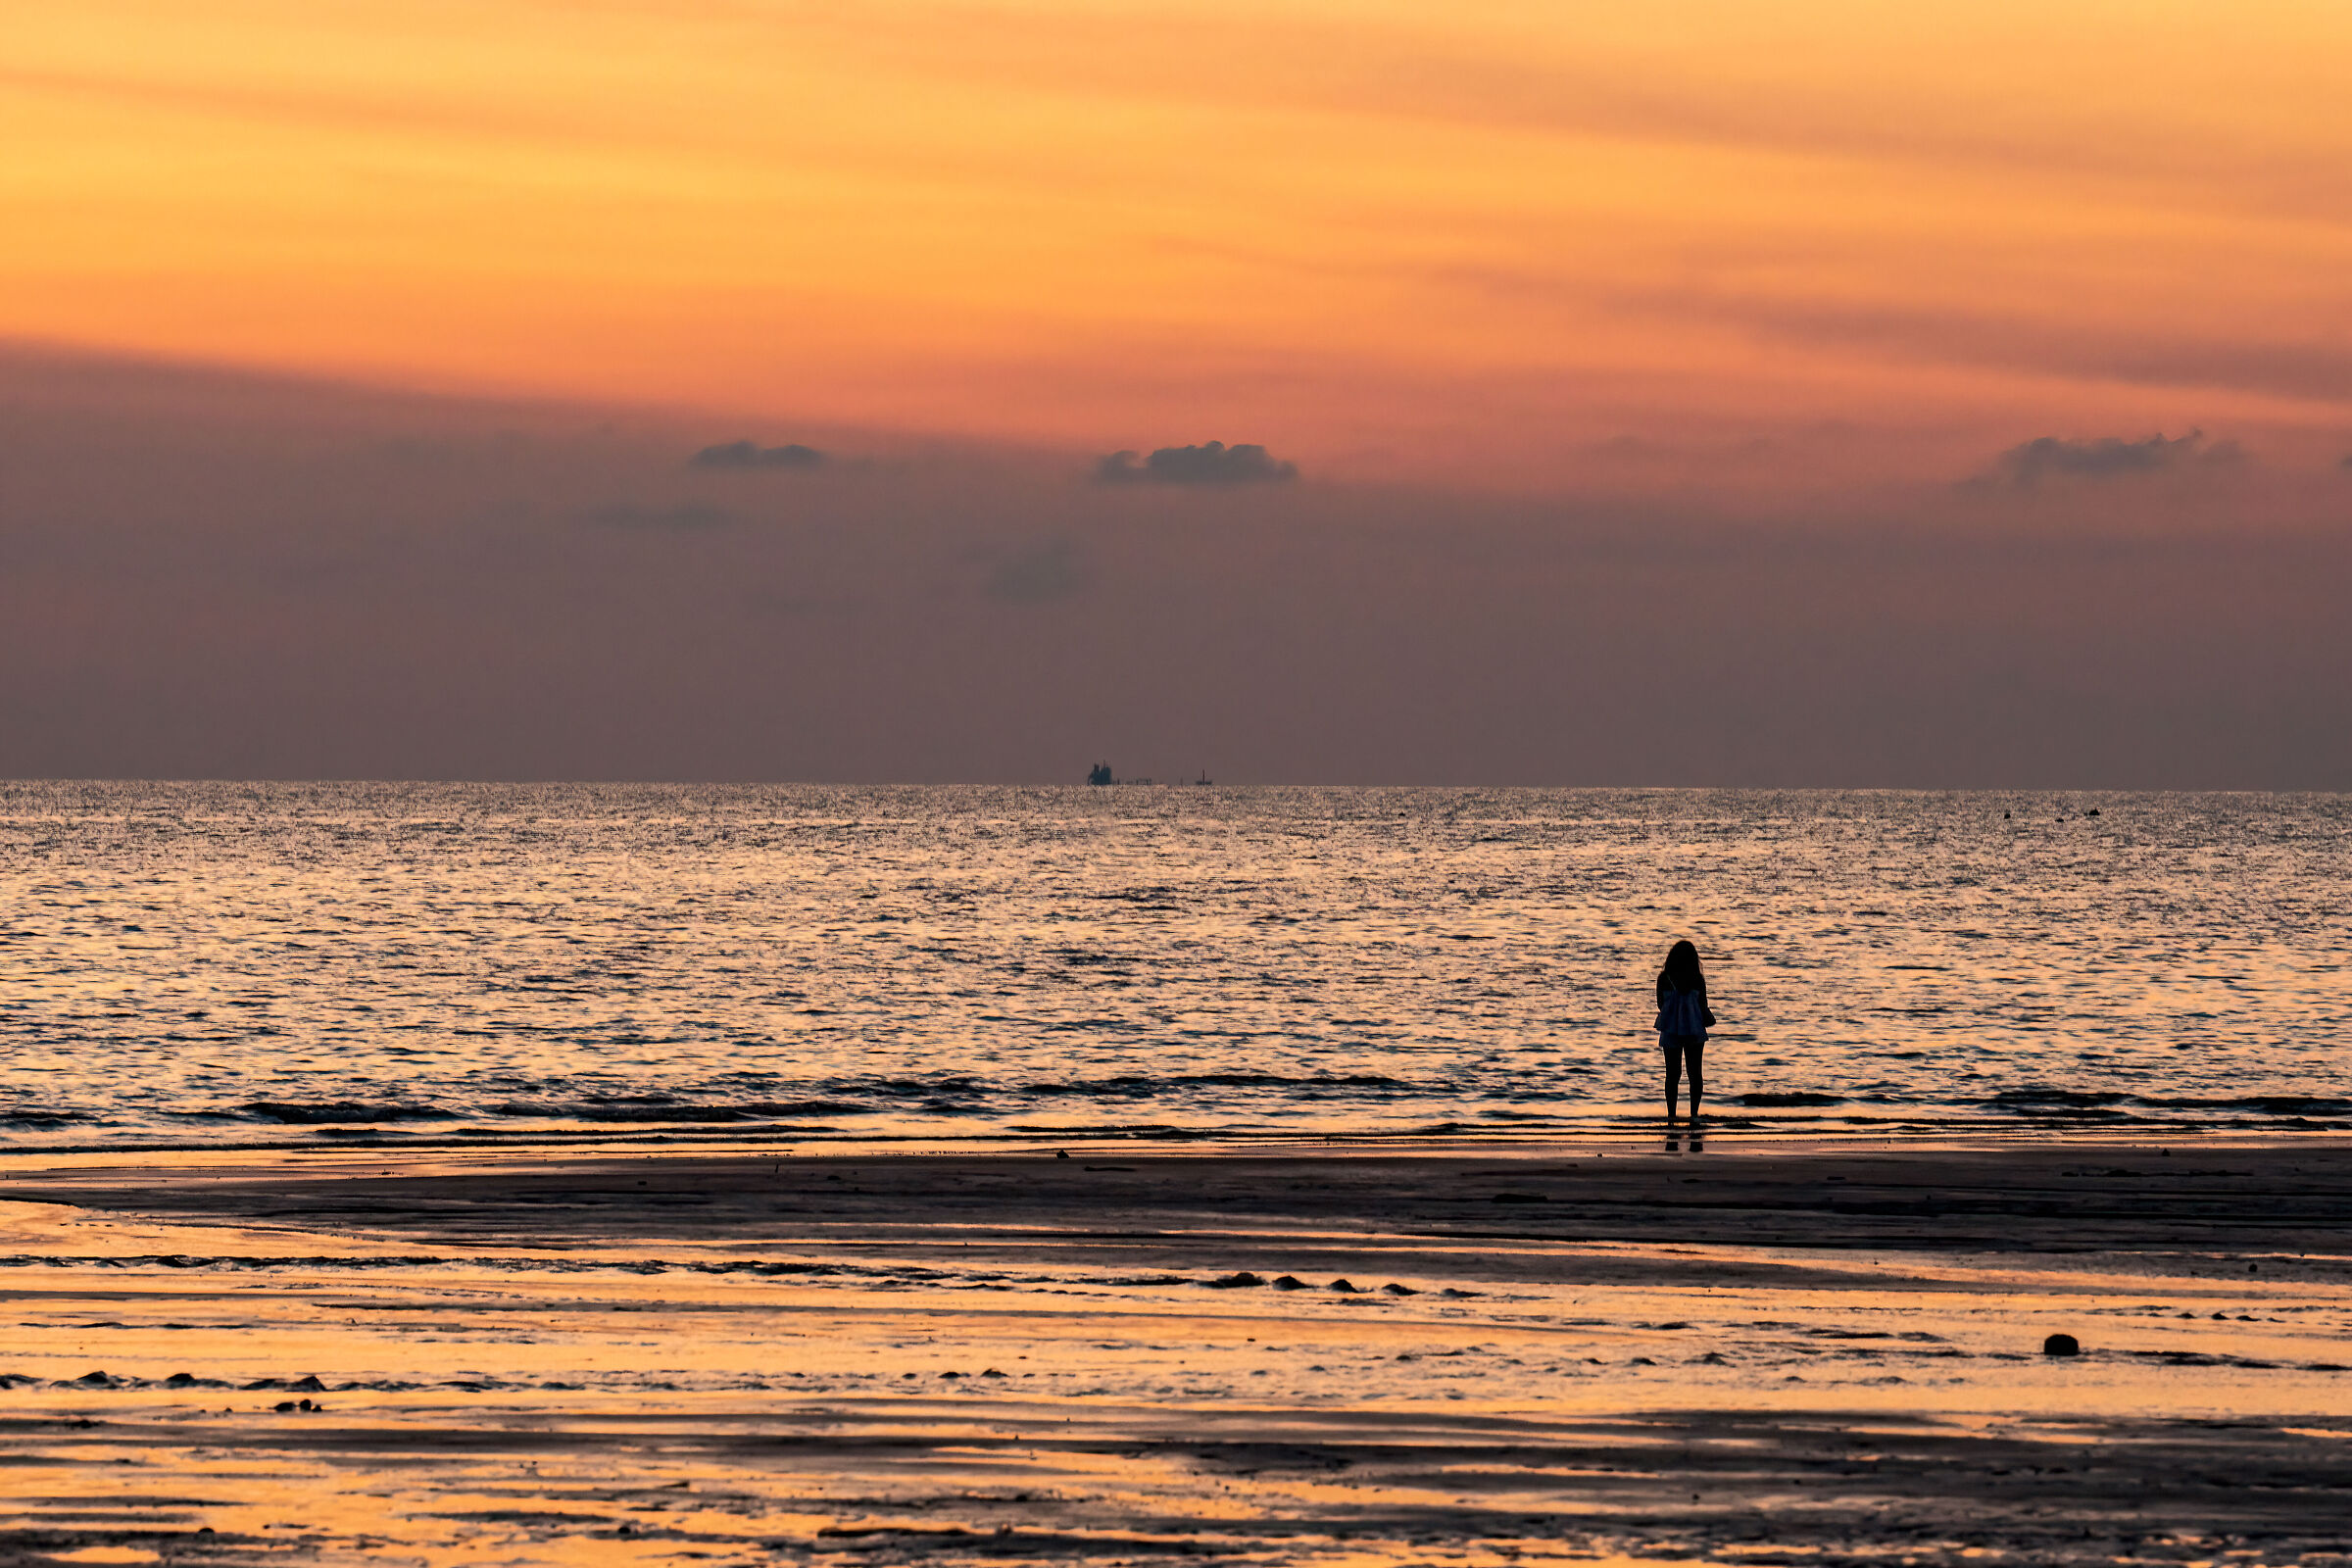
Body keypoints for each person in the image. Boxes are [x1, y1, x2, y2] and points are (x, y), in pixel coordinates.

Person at [1654, 939, 1716, 1121]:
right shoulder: (1697, 979)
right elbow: (1703, 1004)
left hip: (1671, 1029)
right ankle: (1694, 1114)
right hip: (1694, 1029)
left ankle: (1671, 1115)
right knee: (1695, 1073)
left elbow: (1660, 1004)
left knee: (1672, 1074)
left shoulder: (1664, 978)